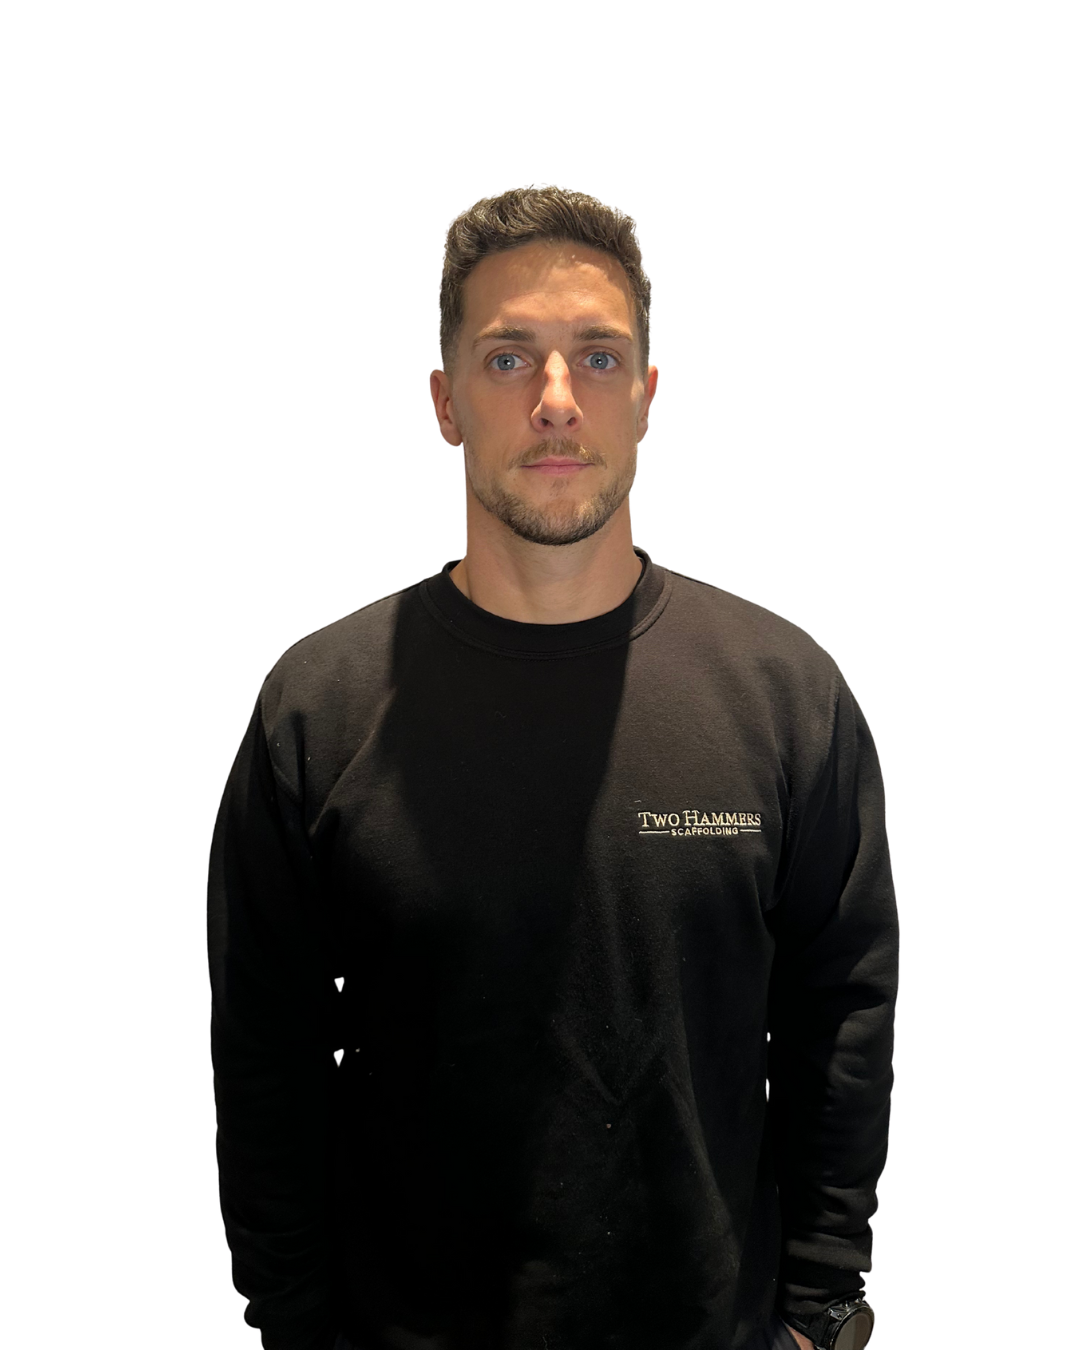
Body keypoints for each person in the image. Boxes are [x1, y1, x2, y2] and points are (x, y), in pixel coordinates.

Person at [208, 186, 898, 1350]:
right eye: (509, 357)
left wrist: (822, 1305)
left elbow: (842, 1014)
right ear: (446, 402)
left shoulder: (784, 695)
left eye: (599, 357)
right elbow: (265, 1053)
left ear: (647, 397)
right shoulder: (319, 711)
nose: (558, 398)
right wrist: (293, 1323)